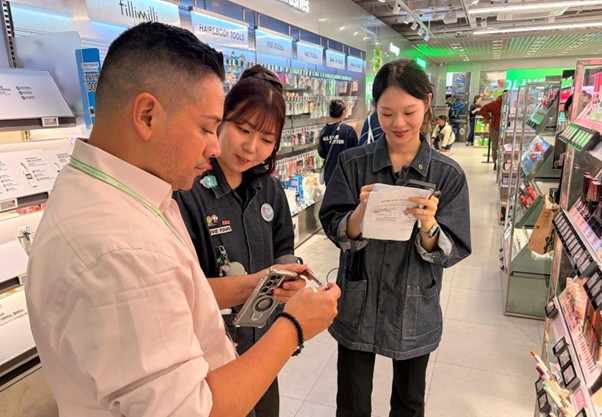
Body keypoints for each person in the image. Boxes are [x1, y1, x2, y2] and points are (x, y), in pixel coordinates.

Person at [25, 22, 340, 417]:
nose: (215, 145)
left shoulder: (135, 194)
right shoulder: (120, 250)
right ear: (147, 115)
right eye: (209, 127)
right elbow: (193, 410)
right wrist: (293, 326)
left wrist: (259, 284)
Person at [319, 60, 471, 417]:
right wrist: (360, 213)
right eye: (386, 113)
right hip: (360, 297)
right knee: (352, 402)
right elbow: (335, 225)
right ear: (375, 109)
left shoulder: (447, 174)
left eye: (409, 112)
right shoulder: (353, 164)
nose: (398, 124)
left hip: (414, 302)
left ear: (428, 103)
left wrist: (429, 226)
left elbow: (453, 246)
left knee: (409, 402)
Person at [174, 65, 295, 417]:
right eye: (242, 129)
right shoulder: (188, 191)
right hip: (209, 357)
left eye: (267, 140)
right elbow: (183, 289)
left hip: (263, 345)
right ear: (220, 120)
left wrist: (288, 272)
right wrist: (255, 282)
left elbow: (283, 242)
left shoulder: (269, 189)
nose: (251, 147)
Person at [318, 99, 358, 185]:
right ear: (343, 112)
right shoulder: (348, 130)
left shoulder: (324, 131)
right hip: (346, 174)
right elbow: (355, 152)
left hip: (329, 174)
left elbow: (321, 153)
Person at [480, 92, 504, 170]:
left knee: (505, 146)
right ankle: (495, 162)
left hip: (507, 128)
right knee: (495, 146)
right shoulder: (495, 104)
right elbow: (483, 109)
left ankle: (504, 163)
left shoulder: (511, 104)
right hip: (495, 128)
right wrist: (489, 118)